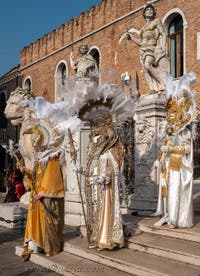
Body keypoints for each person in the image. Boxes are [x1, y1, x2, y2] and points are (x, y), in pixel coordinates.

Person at [153, 72, 196, 228]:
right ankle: (165, 214)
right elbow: (165, 146)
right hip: (167, 164)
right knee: (164, 191)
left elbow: (187, 149)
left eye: (172, 113)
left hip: (178, 165)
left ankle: (174, 217)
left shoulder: (185, 130)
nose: (169, 116)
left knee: (174, 192)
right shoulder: (170, 130)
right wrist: (157, 161)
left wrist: (171, 149)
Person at [20, 122, 65, 261]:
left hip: (44, 196)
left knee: (48, 224)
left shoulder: (51, 157)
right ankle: (37, 243)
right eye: (33, 141)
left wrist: (43, 193)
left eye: (35, 140)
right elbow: (35, 176)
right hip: (36, 196)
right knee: (35, 222)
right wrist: (25, 171)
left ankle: (48, 246)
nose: (34, 144)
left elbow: (53, 176)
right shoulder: (39, 157)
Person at [84, 116, 125, 250]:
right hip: (97, 188)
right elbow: (92, 168)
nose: (96, 138)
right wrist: (82, 171)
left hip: (106, 190)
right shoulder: (96, 152)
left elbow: (114, 169)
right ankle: (96, 239)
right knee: (96, 213)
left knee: (105, 212)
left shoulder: (110, 152)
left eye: (99, 134)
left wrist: (103, 178)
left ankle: (107, 240)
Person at [122, 4, 170, 94]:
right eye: (147, 9)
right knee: (144, 69)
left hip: (151, 48)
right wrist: (131, 37)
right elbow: (141, 43)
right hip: (143, 50)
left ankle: (163, 83)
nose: (150, 10)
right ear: (144, 13)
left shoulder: (156, 21)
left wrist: (163, 49)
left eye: (151, 9)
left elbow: (163, 34)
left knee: (148, 65)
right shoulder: (143, 28)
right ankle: (153, 88)